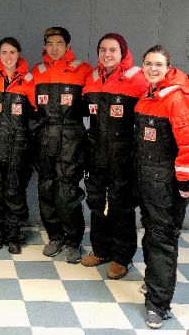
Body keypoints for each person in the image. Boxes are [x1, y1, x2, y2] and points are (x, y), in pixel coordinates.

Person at [81, 33, 149, 279]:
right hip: (97, 152)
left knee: (121, 205)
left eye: (112, 50)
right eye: (103, 50)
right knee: (97, 201)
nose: (107, 55)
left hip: (124, 154)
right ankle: (100, 250)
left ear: (123, 52)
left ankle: (122, 257)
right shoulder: (93, 77)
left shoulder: (138, 79)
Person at [135, 45, 189, 329]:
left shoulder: (176, 98)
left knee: (162, 240)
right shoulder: (149, 95)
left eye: (157, 64)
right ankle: (154, 285)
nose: (152, 69)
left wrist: (184, 182)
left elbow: (187, 144)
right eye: (148, 64)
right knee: (152, 235)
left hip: (167, 185)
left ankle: (158, 305)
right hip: (149, 182)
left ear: (168, 67)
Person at [31, 27, 92, 263]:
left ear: (68, 45)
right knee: (46, 188)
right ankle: (55, 236)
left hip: (71, 139)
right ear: (45, 46)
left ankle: (73, 241)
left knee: (67, 191)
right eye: (50, 43)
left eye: (59, 43)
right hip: (44, 137)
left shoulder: (83, 70)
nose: (54, 48)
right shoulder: (37, 72)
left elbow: (93, 103)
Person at [0, 37, 36, 254]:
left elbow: (37, 111)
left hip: (18, 147)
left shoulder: (29, 79)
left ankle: (13, 234)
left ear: (19, 53)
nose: (9, 57)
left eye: (13, 52)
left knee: (15, 191)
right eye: (4, 52)